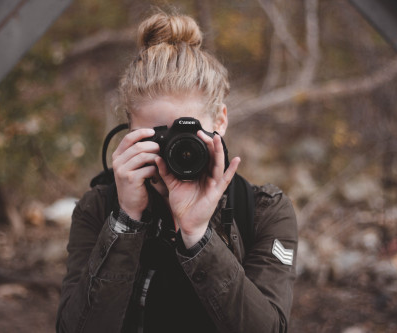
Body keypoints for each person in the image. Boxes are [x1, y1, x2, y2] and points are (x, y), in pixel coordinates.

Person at [56, 12, 298, 333]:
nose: (175, 151)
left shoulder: (264, 212)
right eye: (158, 136)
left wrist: (199, 236)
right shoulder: (98, 208)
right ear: (129, 127)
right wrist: (126, 220)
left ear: (220, 121)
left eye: (185, 136)